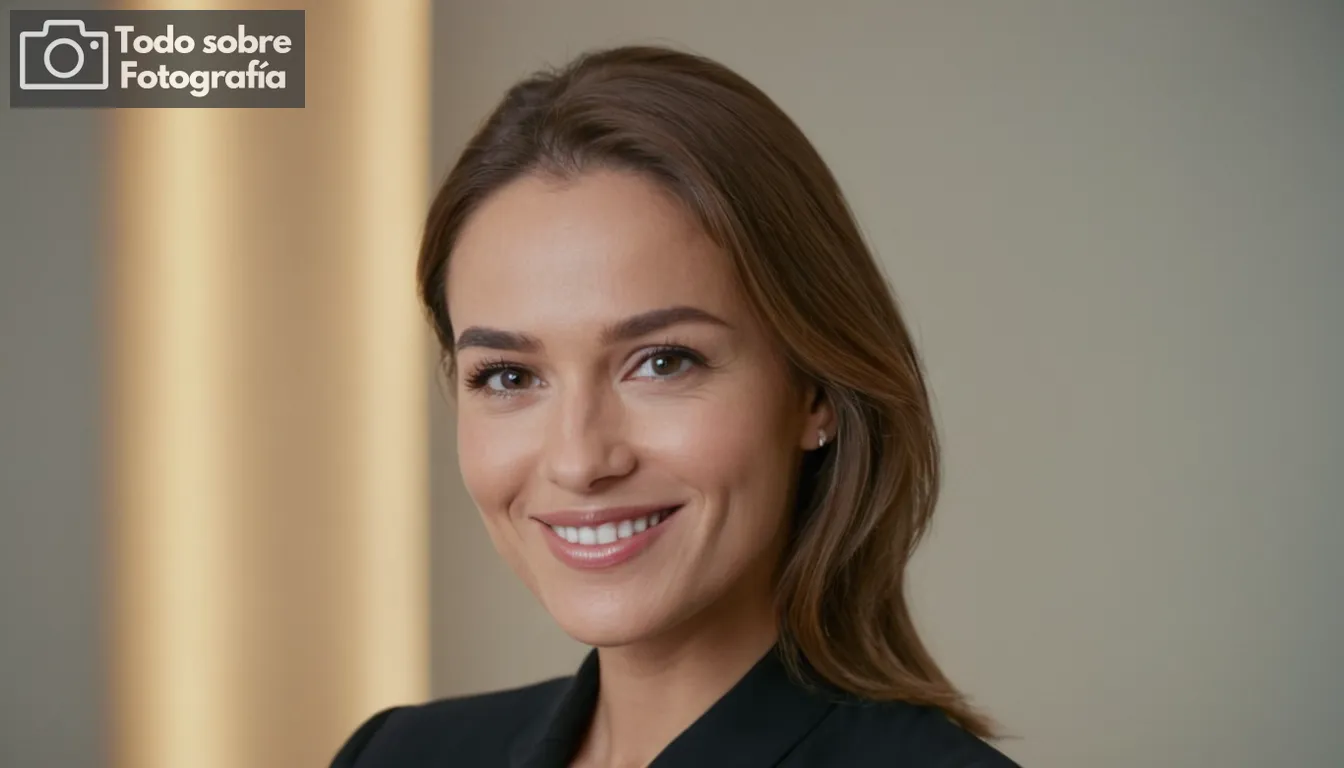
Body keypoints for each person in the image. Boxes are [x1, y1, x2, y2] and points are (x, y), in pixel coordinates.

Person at [332, 44, 1020, 768]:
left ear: (815, 391)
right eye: (509, 376)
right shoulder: (398, 755)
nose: (579, 459)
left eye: (662, 361)